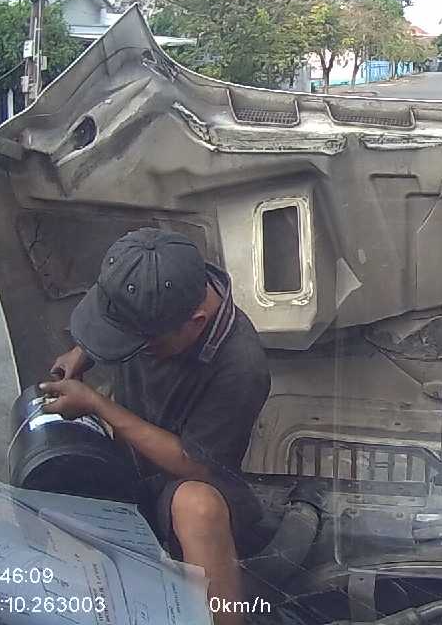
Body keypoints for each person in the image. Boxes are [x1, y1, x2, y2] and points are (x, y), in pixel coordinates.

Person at [40, 228, 271, 625]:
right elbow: (118, 314)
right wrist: (86, 351)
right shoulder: (152, 285)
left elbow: (194, 463)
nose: (137, 350)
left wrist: (97, 404)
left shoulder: (241, 366)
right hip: (130, 461)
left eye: (143, 344)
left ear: (195, 323)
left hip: (186, 477)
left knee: (197, 507)